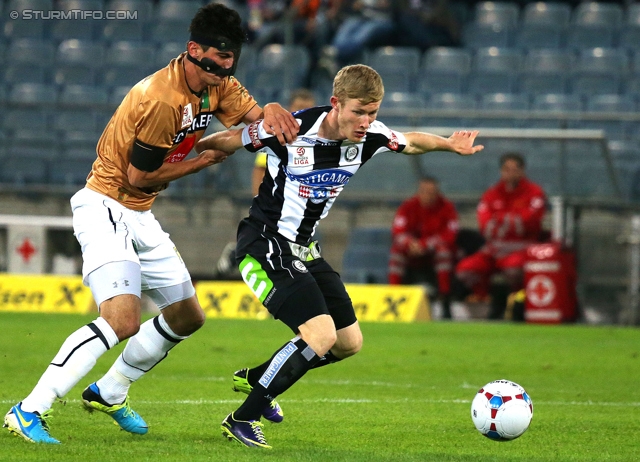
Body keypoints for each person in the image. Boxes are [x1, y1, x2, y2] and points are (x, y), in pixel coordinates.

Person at [3, 2, 299, 444]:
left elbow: (255, 118)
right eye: (217, 57)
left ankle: (110, 389)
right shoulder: (162, 98)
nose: (223, 67)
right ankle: (28, 409)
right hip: (106, 205)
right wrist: (202, 161)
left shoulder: (216, 84)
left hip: (140, 212)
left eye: (230, 58)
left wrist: (271, 108)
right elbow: (138, 175)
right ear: (192, 49)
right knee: (122, 321)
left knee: (186, 316)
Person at [195, 64, 483, 448]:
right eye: (358, 112)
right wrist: (194, 149)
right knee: (320, 334)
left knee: (348, 343)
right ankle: (242, 418)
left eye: (373, 112)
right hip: (266, 242)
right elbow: (230, 139)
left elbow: (411, 141)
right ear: (335, 104)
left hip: (307, 250)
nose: (366, 121)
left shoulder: (371, 137)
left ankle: (259, 378)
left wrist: (450, 143)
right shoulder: (291, 129)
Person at [455, 152, 546, 319]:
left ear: (522, 171)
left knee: (513, 268)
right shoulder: (492, 193)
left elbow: (530, 223)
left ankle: (517, 304)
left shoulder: (534, 192)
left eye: (514, 169)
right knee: (466, 269)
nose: (509, 173)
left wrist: (502, 220)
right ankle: (487, 300)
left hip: (521, 249)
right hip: (494, 249)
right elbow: (485, 226)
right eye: (506, 169)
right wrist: (512, 220)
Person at [388, 176, 458, 318]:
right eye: (424, 191)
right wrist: (410, 243)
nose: (428, 195)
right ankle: (394, 296)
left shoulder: (447, 207)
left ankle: (445, 301)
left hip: (433, 253)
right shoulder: (408, 206)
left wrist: (426, 244)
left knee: (444, 253)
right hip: (411, 253)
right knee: (396, 252)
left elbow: (450, 234)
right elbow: (398, 231)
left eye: (432, 192)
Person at [252, 88, 316, 196]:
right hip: (277, 201)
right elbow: (260, 169)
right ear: (289, 109)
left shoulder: (320, 138)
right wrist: (258, 198)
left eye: (308, 110)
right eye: (300, 108)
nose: (304, 114)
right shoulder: (275, 136)